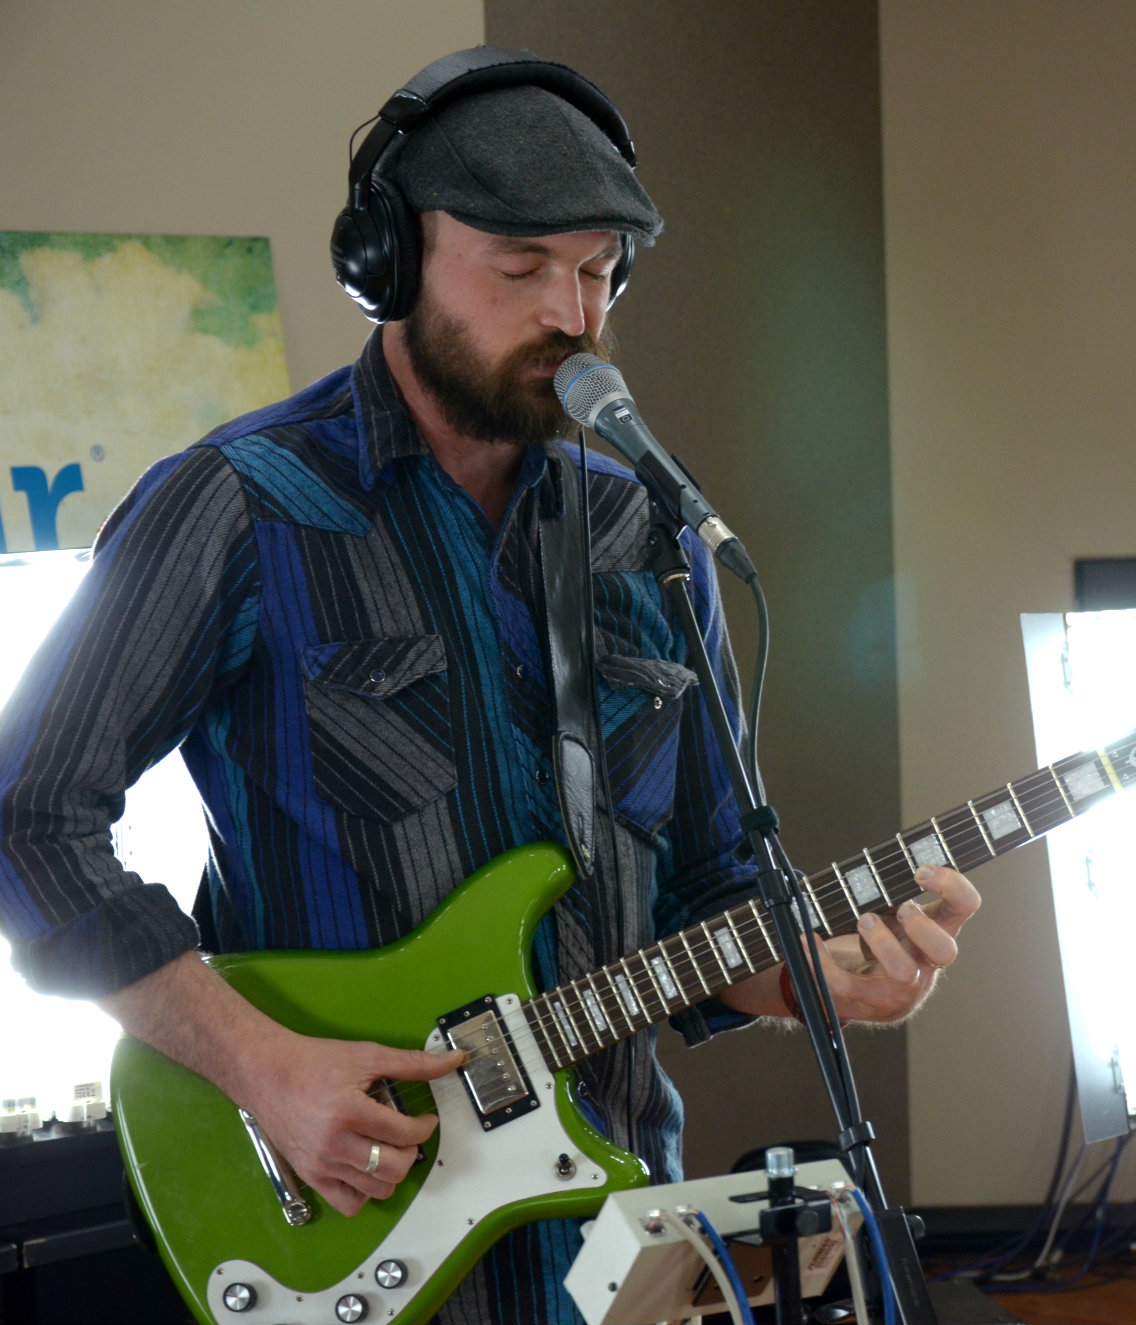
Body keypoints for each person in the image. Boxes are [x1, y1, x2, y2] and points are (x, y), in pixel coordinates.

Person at [0, 48, 978, 1325]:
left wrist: (818, 974)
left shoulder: (651, 535)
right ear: (387, 263)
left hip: (617, 1234)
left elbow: (706, 889)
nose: (571, 312)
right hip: (345, 1217)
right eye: (520, 268)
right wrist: (260, 1066)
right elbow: (29, 815)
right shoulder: (241, 504)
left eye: (595, 270)